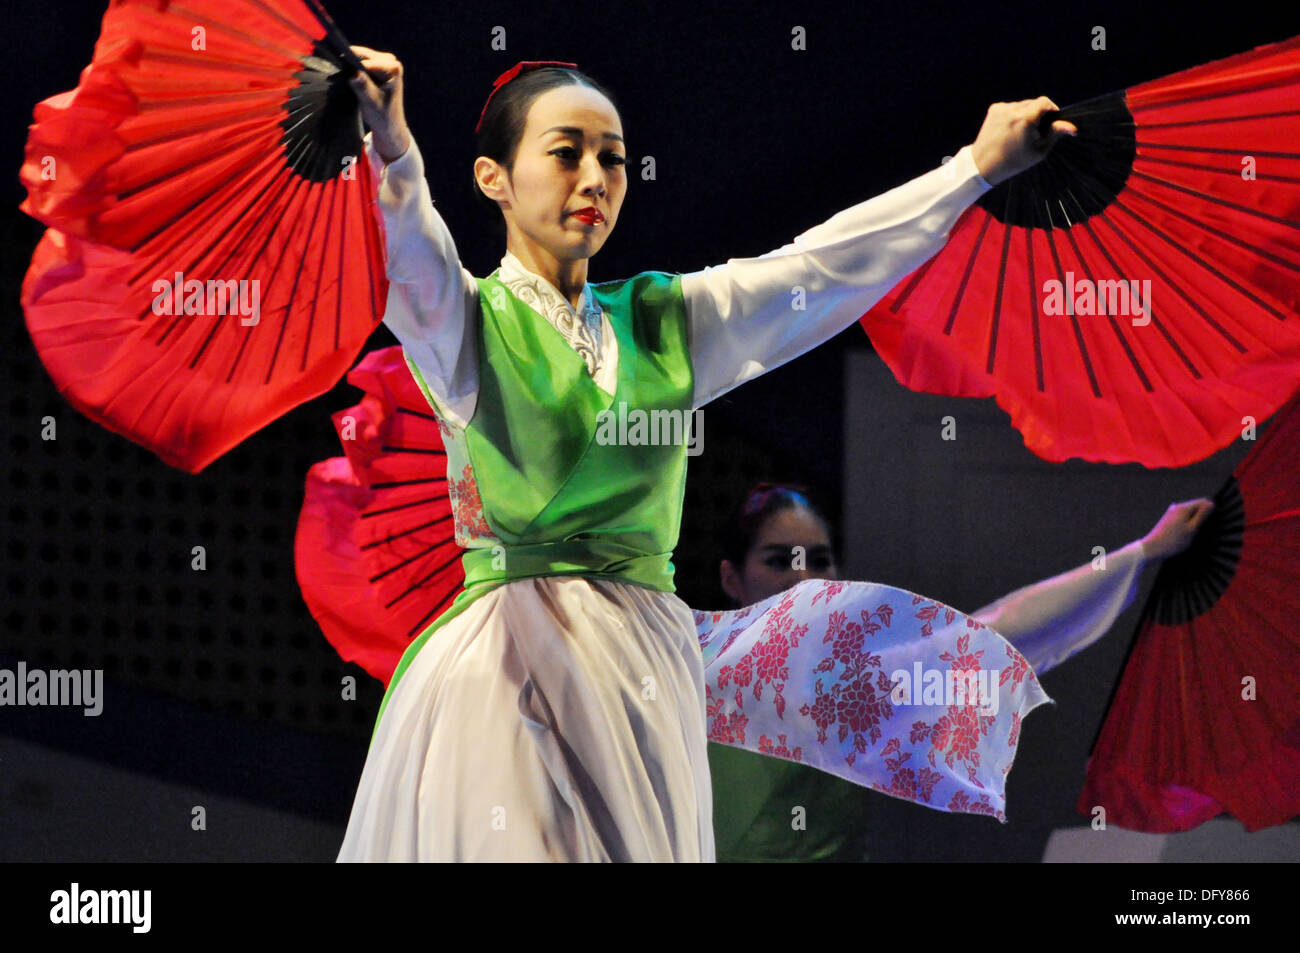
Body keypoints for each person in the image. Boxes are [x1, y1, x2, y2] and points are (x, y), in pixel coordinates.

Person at [334, 47, 1104, 862]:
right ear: (494, 177)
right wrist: (391, 145)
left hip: (643, 668)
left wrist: (974, 170)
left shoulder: (664, 323)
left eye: (613, 158)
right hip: (504, 666)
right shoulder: (465, 322)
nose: (594, 177)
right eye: (566, 152)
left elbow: (819, 269)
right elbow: (409, 256)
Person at [707, 483, 1213, 861]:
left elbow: (1003, 630)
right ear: (732, 577)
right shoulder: (683, 674)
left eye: (819, 560)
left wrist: (1144, 550)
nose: (805, 579)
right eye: (779, 561)